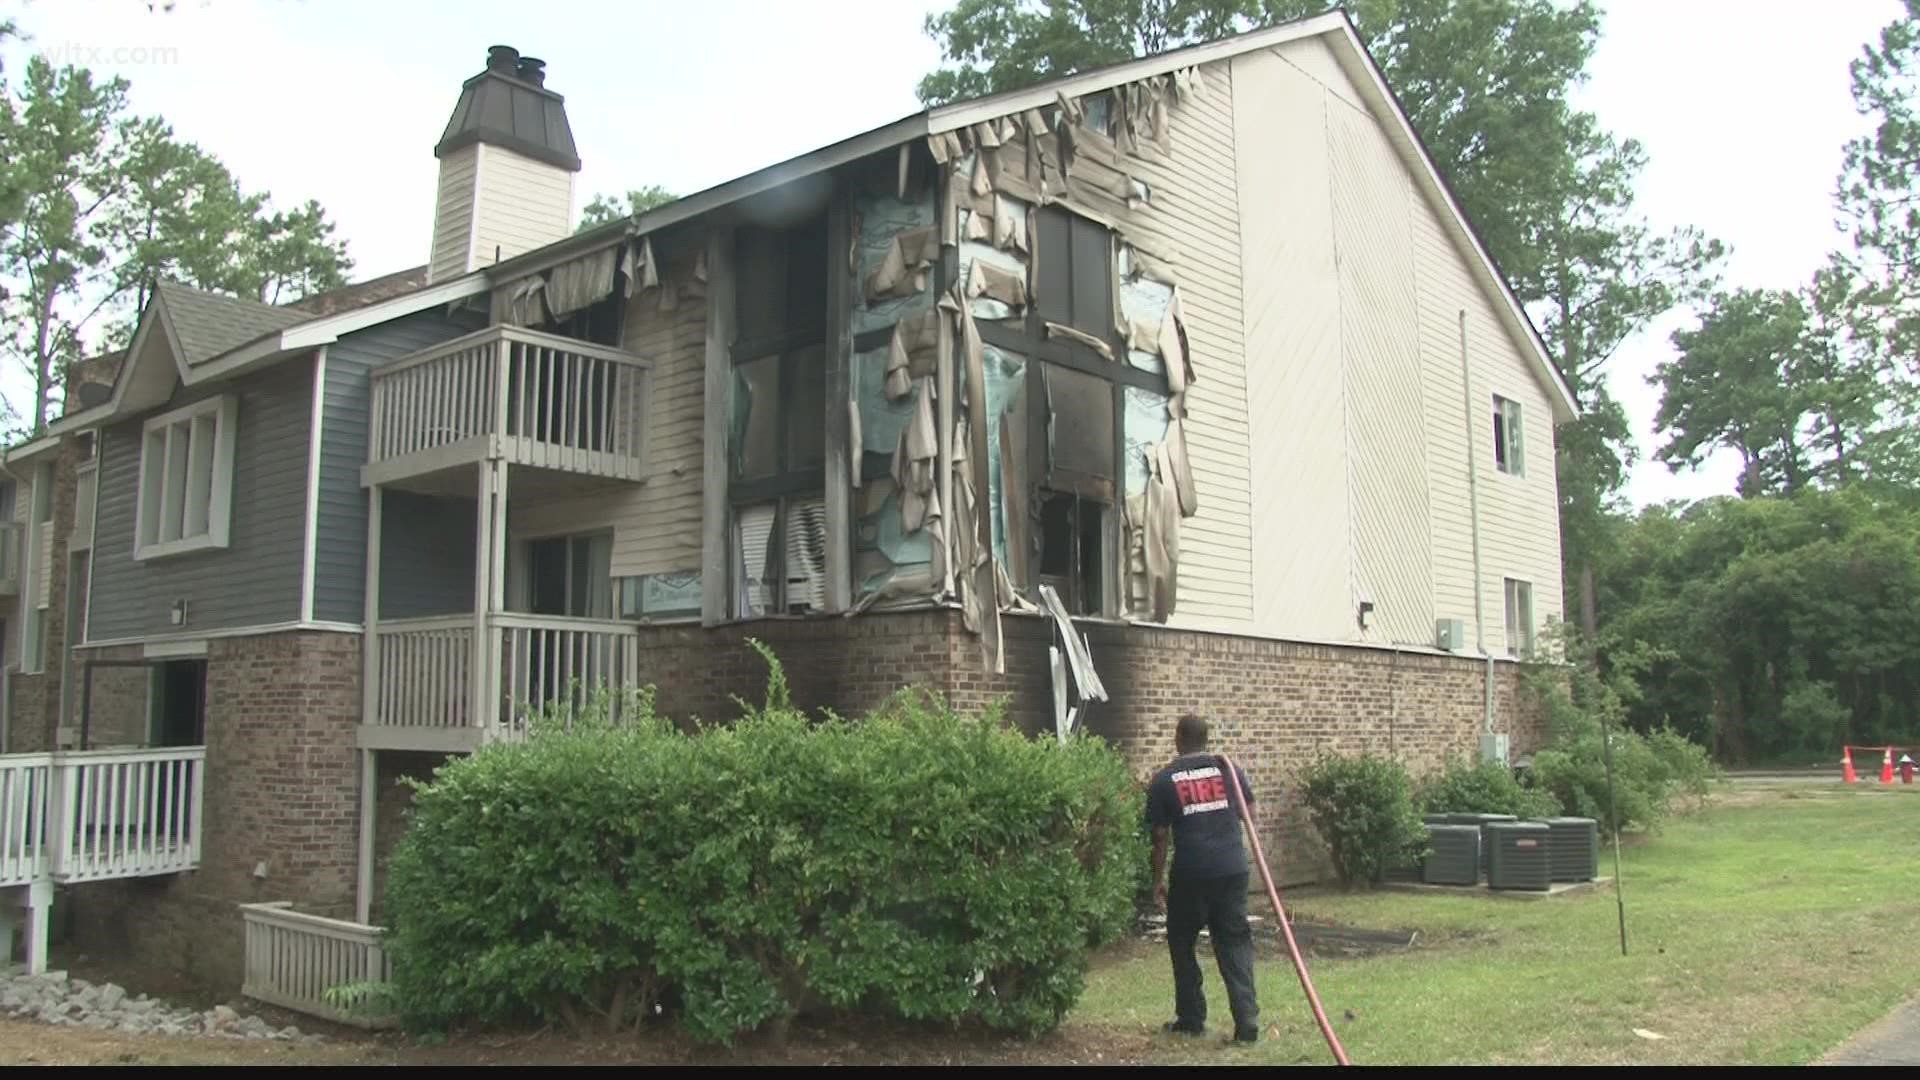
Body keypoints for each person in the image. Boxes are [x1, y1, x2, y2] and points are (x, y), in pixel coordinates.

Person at [1146, 713, 1261, 1044]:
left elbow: (1159, 837)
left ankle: (1192, 1017)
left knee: (1182, 939)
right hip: (1233, 869)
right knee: (1234, 941)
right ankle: (1247, 1021)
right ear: (1206, 738)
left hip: (1192, 872)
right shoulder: (1228, 770)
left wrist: (1158, 880)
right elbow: (1250, 815)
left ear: (1178, 738)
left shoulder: (1165, 780)